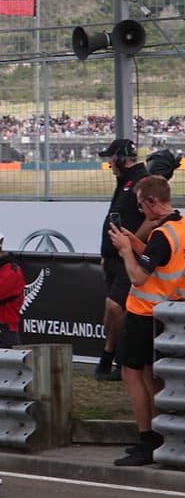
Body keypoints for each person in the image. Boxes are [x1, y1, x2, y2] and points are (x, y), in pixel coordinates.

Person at [107, 175, 183, 466]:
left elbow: (138, 276)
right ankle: (160, 434)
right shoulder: (178, 227)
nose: (141, 212)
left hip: (145, 312)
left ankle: (146, 438)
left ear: (152, 201)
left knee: (131, 372)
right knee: (154, 374)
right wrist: (137, 243)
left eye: (142, 205)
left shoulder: (163, 235)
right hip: (168, 312)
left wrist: (126, 250)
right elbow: (161, 259)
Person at [96, 137, 148, 381]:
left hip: (128, 258)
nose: (108, 162)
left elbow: (152, 217)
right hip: (115, 258)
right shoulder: (126, 181)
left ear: (120, 157)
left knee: (116, 308)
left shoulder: (140, 181)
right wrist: (108, 253)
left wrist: (129, 245)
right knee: (113, 311)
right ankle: (115, 358)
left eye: (110, 157)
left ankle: (112, 358)